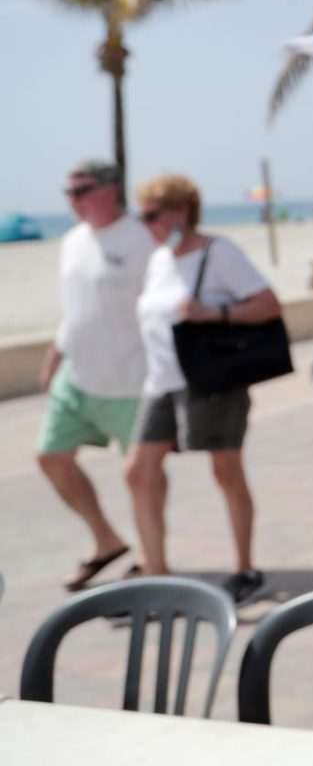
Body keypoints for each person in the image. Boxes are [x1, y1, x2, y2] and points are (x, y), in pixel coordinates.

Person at [124, 173, 279, 602]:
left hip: (209, 379)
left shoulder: (219, 251)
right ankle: (157, 574)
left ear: (182, 211)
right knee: (138, 471)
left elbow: (268, 304)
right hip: (161, 382)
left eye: (152, 214)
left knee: (225, 471)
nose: (146, 223)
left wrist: (214, 313)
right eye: (143, 215)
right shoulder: (159, 259)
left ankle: (246, 569)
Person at [37, 161, 149, 590]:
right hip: (78, 376)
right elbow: (75, 308)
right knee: (51, 456)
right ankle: (105, 541)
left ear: (109, 190)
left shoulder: (141, 238)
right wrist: (53, 357)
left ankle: (148, 555)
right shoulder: (72, 242)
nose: (71, 199)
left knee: (140, 475)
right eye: (67, 191)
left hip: (132, 380)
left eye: (80, 189)